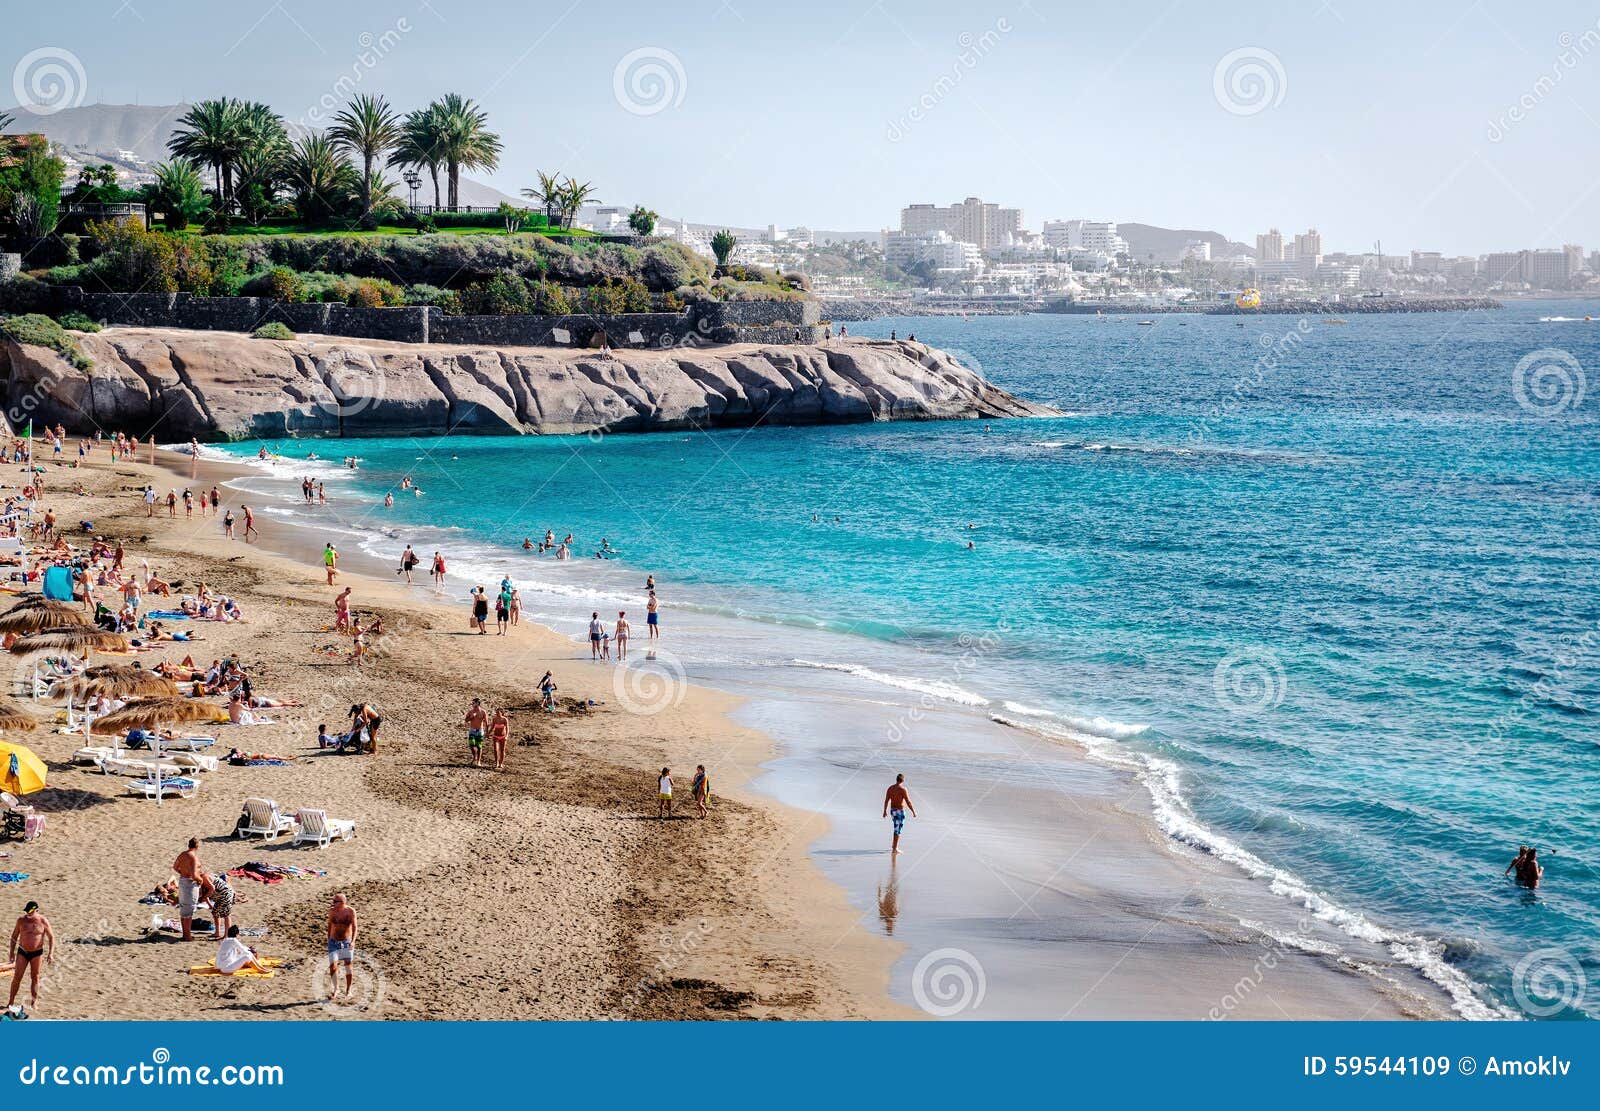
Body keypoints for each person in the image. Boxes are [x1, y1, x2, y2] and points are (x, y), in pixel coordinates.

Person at [6, 901, 53, 1014]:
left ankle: (34, 1002)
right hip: (22, 952)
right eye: (27, 911)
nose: (28, 913)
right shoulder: (21, 920)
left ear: (36, 910)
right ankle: (10, 1002)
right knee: (17, 977)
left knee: (35, 977)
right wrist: (11, 952)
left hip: (37, 953)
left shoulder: (43, 921)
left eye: (30, 911)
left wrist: (51, 953)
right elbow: (14, 936)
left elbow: (51, 938)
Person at [325, 893, 358, 1000]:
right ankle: (336, 989)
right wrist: (328, 939)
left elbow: (355, 927)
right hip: (333, 942)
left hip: (346, 942)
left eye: (335, 901)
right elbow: (330, 925)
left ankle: (348, 990)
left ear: (342, 902)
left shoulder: (350, 911)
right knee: (333, 966)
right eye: (333, 901)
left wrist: (353, 941)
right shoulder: (332, 911)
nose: (333, 903)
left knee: (348, 967)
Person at [174, 837, 203, 940]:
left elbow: (175, 867)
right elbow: (195, 875)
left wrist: (182, 873)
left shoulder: (182, 855)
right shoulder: (193, 857)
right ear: (197, 846)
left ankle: (185, 934)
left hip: (182, 881)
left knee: (183, 910)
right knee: (189, 911)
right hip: (190, 884)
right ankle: (187, 936)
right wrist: (201, 880)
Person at [882, 773, 916, 855]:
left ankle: (894, 846)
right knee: (897, 830)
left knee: (896, 828)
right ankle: (895, 848)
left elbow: (886, 800)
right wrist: (913, 811)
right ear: (903, 780)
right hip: (900, 812)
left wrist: (885, 811)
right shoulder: (903, 789)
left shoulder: (890, 788)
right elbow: (908, 802)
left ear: (896, 779)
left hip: (893, 811)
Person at [208, 871, 237, 938]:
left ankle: (226, 935)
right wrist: (209, 905)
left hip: (226, 895)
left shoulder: (207, 878)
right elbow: (205, 896)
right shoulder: (209, 879)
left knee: (226, 915)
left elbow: (208, 893)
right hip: (220, 897)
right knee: (215, 913)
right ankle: (217, 932)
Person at [464, 698, 486, 768]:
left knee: (479, 746)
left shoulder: (483, 712)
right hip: (472, 730)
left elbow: (486, 722)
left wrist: (487, 732)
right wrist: (471, 717)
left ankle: (478, 761)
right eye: (472, 703)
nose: (472, 704)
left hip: (480, 730)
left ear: (477, 703)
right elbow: (466, 720)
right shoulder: (470, 711)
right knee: (471, 745)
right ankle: (475, 757)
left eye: (473, 703)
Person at [489, 706, 509, 772]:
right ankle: (496, 763)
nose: (497, 713)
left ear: (501, 713)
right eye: (496, 712)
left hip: (503, 736)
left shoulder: (504, 719)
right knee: (495, 750)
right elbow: (492, 727)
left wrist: (506, 736)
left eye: (498, 712)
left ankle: (501, 763)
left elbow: (507, 728)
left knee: (502, 750)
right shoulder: (494, 719)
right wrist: (488, 733)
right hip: (495, 736)